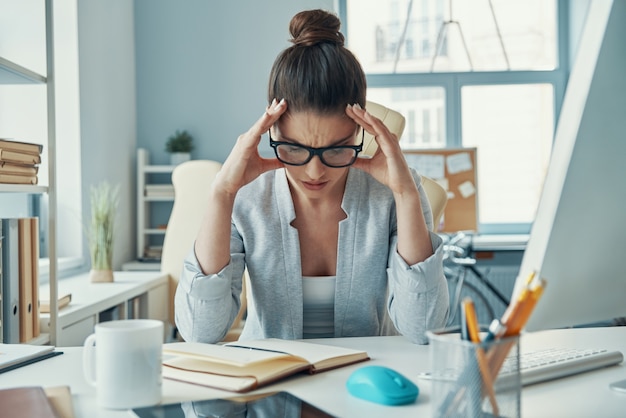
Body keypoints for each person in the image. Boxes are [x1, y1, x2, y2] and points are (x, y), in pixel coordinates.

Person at [175, 9, 449, 345]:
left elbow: (423, 328)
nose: (314, 171)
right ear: (270, 129)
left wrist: (406, 195)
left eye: (336, 150)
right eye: (293, 148)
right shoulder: (245, 194)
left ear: (360, 132)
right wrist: (221, 194)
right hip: (271, 386)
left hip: (366, 384)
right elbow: (199, 332)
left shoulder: (394, 189)